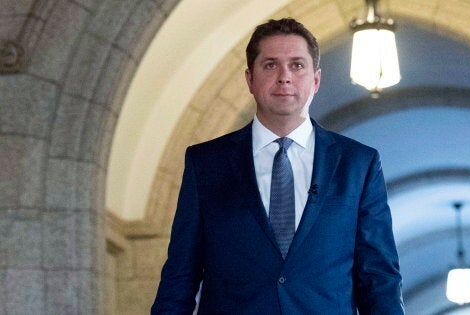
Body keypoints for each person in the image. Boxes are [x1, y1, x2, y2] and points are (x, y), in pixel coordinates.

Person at [151, 18, 404, 314]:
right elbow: (180, 276)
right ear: (250, 79)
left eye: (297, 65)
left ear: (316, 80)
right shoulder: (206, 163)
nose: (285, 77)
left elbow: (379, 278)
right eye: (270, 65)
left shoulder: (358, 164)